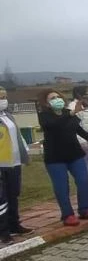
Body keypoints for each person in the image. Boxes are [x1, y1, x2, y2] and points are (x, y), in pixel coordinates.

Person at [36, 89, 88, 225]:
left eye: (58, 96)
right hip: (55, 157)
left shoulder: (67, 113)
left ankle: (84, 209)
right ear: (46, 103)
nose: (57, 99)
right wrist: (72, 113)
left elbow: (78, 129)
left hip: (74, 154)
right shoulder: (44, 116)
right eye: (52, 98)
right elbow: (54, 125)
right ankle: (67, 215)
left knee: (83, 180)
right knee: (62, 186)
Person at [1, 85, 33, 245]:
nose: (3, 100)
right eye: (0, 97)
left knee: (13, 194)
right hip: (1, 164)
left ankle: (14, 224)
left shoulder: (8, 116)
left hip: (14, 162)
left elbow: (18, 137)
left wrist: (24, 154)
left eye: (4, 97)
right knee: (2, 198)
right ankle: (3, 231)